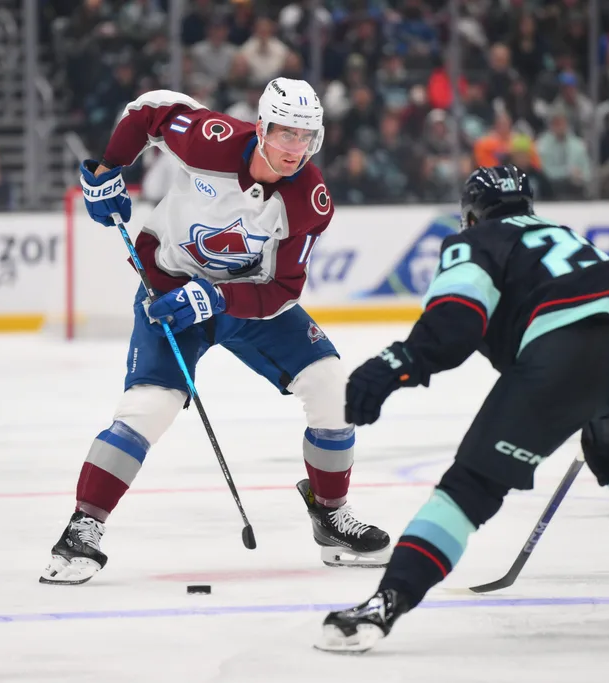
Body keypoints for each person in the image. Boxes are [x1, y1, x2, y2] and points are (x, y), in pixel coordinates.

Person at [316, 165, 609, 652]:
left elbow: (455, 325)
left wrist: (393, 366)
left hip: (569, 350)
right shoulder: (565, 235)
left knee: (470, 487)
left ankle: (384, 605)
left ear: (470, 215)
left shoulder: (477, 242)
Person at [40, 79, 391, 584]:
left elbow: (284, 288)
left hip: (246, 302)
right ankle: (82, 528)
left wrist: (218, 297)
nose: (295, 148)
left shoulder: (309, 200)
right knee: (148, 409)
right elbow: (149, 111)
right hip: (168, 293)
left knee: (331, 384)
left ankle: (331, 514)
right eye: (285, 133)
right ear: (263, 127)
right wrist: (108, 167)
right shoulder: (211, 138)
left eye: (305, 137)